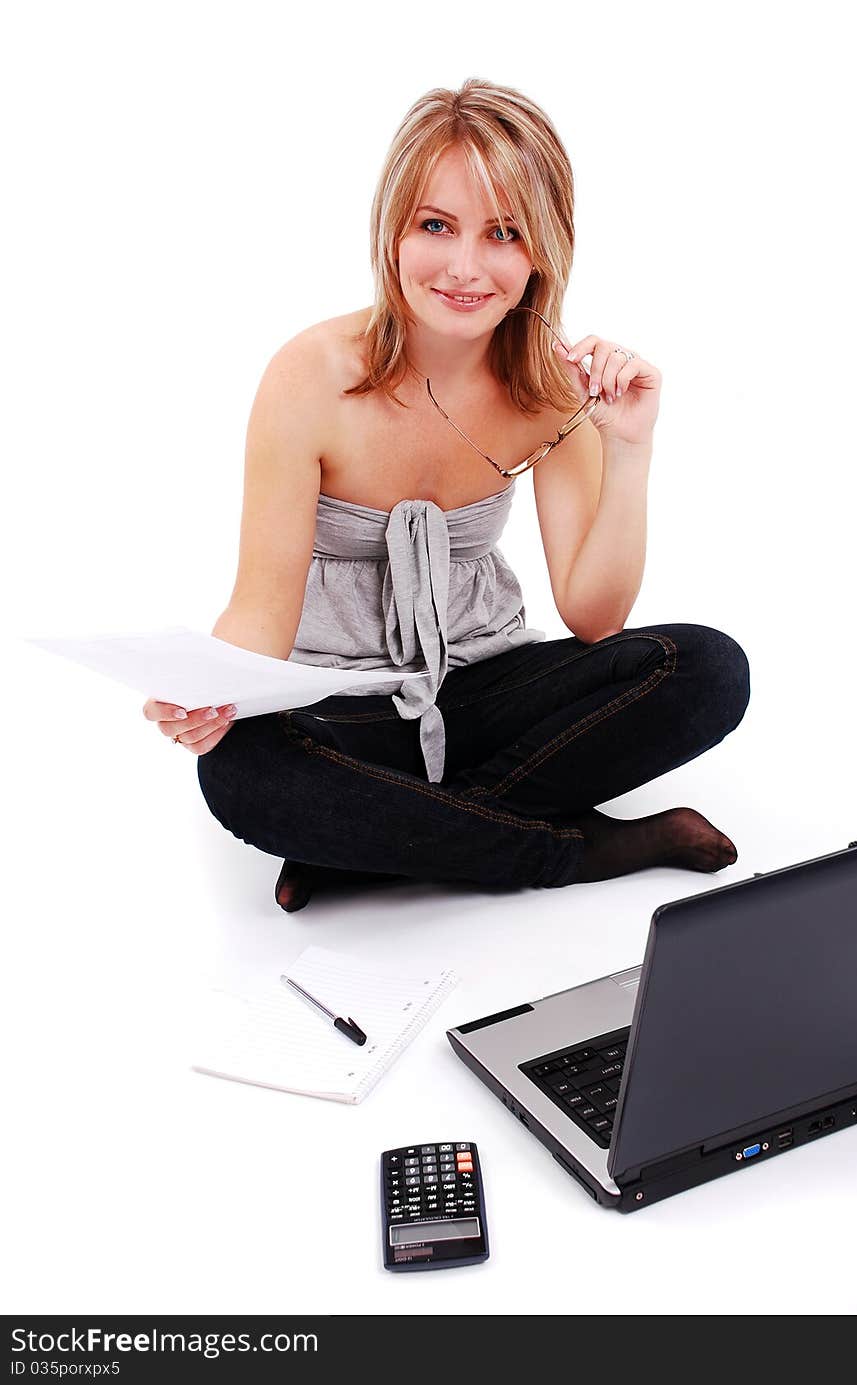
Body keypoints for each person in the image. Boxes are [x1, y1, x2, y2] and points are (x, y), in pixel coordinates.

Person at [143, 77, 750, 912]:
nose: (466, 266)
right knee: (240, 769)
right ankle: (582, 846)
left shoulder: (550, 387)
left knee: (708, 668)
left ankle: (374, 842)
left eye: (503, 233)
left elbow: (595, 616)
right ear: (393, 231)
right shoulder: (310, 377)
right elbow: (260, 612)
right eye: (437, 225)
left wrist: (630, 449)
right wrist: (206, 690)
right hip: (343, 710)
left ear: (541, 247)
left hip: (482, 691)